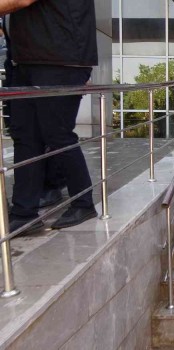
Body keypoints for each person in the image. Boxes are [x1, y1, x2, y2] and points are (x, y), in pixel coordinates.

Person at [2, 0, 98, 232]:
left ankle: (83, 203)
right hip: (28, 59)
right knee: (26, 138)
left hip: (59, 60)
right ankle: (24, 212)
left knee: (58, 135)